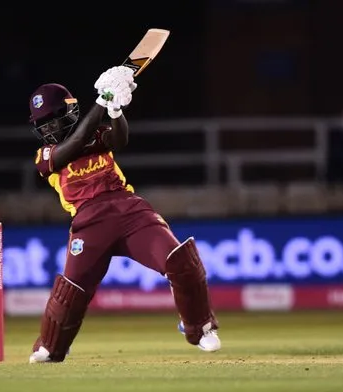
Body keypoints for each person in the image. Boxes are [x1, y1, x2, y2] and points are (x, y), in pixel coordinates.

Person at [27, 67, 221, 363]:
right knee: (72, 290)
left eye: (53, 119)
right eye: (43, 124)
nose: (49, 128)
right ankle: (52, 347)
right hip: (89, 222)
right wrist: (102, 102)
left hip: (130, 210)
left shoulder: (95, 132)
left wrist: (115, 110)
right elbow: (75, 144)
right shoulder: (45, 156)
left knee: (180, 260)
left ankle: (200, 327)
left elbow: (120, 141)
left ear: (68, 113)